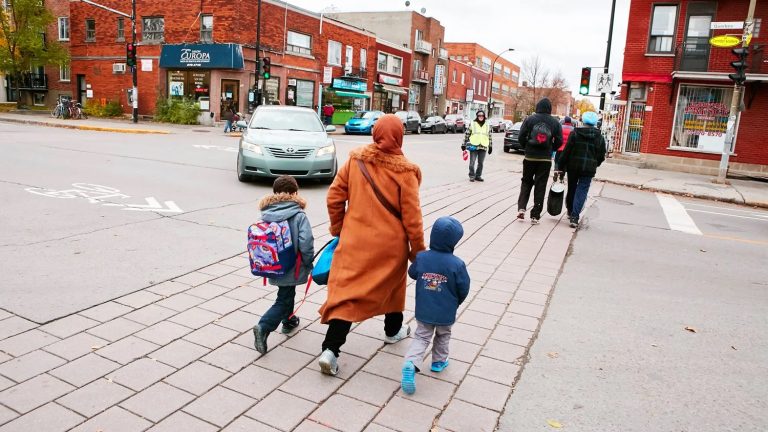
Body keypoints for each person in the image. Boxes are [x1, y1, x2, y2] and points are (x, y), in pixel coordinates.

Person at [318, 114, 426, 376]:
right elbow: (413, 219)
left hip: (354, 240)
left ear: (375, 133)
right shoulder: (406, 172)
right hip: (391, 246)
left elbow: (334, 196)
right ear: (400, 136)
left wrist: (339, 228)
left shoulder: (356, 161)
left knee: (347, 292)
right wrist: (418, 253)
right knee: (392, 285)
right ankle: (392, 331)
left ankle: (330, 349)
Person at [401, 216, 470, 395]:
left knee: (422, 337)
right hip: (446, 311)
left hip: (424, 308)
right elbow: (464, 288)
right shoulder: (457, 264)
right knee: (443, 335)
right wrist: (456, 303)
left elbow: (412, 273)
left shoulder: (423, 257)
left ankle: (412, 362)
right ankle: (438, 362)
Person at [252, 175, 315, 354]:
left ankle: (289, 320)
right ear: (295, 193)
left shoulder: (267, 212)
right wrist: (308, 262)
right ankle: (264, 326)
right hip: (291, 265)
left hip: (272, 263)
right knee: (283, 298)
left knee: (287, 292)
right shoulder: (298, 214)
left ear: (275, 193)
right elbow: (306, 242)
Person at [556, 111, 606, 228]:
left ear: (583, 121)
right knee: (582, 190)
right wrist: (595, 163)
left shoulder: (575, 134)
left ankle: (570, 210)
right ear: (595, 123)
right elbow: (601, 155)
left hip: (573, 166)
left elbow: (566, 151)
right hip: (589, 169)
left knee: (572, 188)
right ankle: (575, 216)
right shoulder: (599, 137)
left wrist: (561, 165)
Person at [516, 98, 562, 224]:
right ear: (549, 108)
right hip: (545, 159)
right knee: (540, 185)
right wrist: (550, 149)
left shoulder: (529, 119)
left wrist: (527, 147)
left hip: (530, 157)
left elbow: (521, 136)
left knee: (526, 182)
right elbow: (559, 141)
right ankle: (535, 215)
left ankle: (521, 208)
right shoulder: (555, 122)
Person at [462, 110, 492, 182]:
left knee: (481, 163)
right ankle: (472, 175)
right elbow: (467, 134)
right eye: (479, 115)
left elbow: (489, 136)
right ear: (477, 116)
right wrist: (463, 144)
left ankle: (478, 176)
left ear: (484, 116)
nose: (481, 117)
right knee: (472, 162)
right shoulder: (473, 123)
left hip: (483, 146)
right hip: (474, 145)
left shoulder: (487, 125)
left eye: (482, 116)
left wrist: (490, 146)